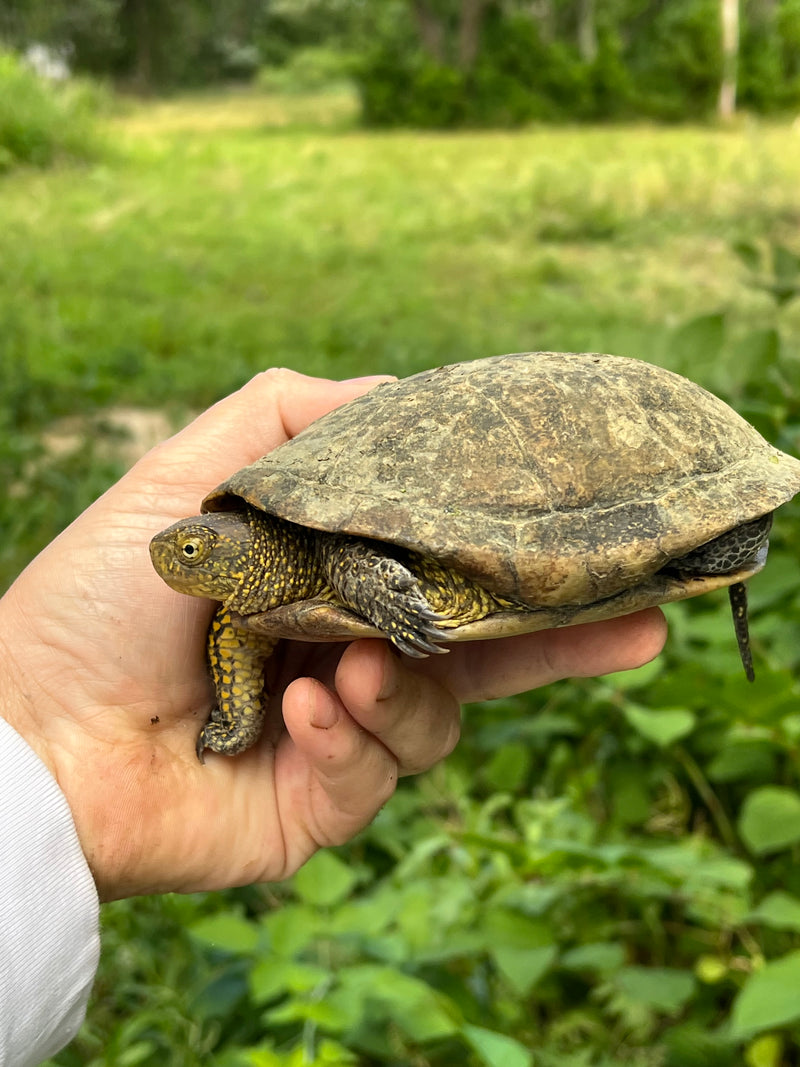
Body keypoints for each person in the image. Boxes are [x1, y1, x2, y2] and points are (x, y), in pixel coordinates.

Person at [0, 369, 667, 1066]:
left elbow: (353, 546)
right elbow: (237, 645)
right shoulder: (244, 607)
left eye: (195, 550)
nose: (175, 558)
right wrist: (100, 742)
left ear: (245, 549)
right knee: (339, 672)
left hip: (478, 535)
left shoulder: (318, 548)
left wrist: (45, 739)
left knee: (370, 640)